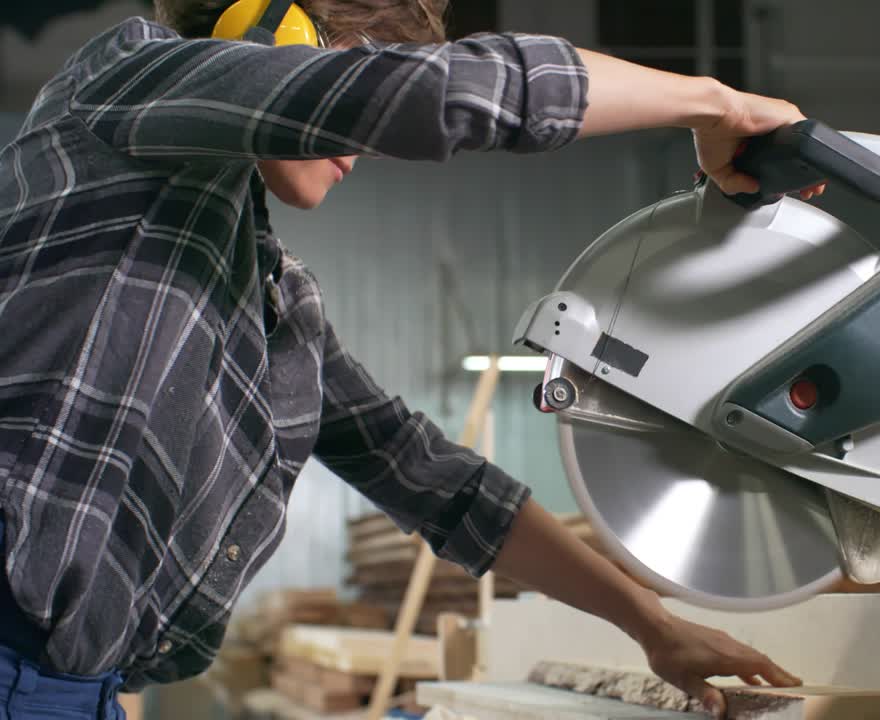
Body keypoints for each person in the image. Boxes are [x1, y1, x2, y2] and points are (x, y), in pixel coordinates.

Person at [0, 0, 826, 717]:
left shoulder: (276, 307)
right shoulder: (121, 82)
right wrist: (712, 105)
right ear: (265, 28)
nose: (360, 147)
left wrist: (656, 627)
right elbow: (433, 94)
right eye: (358, 79)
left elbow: (435, 482)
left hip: (73, 686)